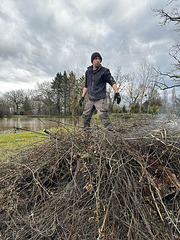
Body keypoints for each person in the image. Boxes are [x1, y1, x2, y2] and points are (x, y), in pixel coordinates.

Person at [79, 52, 121, 130]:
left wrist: (117, 92)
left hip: (100, 99)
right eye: (96, 59)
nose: (98, 60)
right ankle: (87, 135)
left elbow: (112, 81)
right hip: (90, 99)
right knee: (85, 117)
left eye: (99, 59)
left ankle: (112, 135)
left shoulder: (104, 71)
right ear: (92, 61)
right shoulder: (88, 72)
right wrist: (82, 97)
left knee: (104, 118)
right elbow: (86, 86)